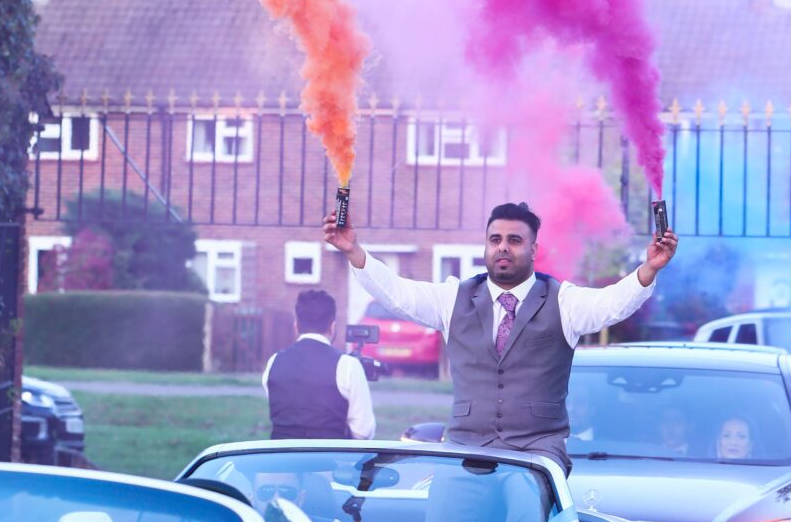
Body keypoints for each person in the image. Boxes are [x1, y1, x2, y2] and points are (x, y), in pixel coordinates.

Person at [323, 200, 677, 470]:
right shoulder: (453, 297)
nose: (503, 247)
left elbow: (610, 304)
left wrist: (647, 269)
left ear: (534, 250)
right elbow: (399, 295)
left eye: (514, 240)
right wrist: (355, 252)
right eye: (495, 239)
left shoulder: (563, 300)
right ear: (486, 246)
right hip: (465, 451)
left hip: (536, 456)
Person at [262, 286, 376, 441]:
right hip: (331, 461)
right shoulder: (348, 365)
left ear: (297, 325)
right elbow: (363, 432)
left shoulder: (274, 362)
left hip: (281, 461)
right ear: (332, 326)